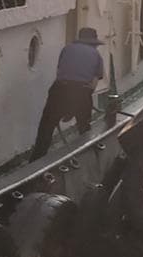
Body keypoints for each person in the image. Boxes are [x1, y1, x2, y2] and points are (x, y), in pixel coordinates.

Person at [30, 27, 105, 160]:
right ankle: (87, 158)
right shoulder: (96, 56)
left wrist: (65, 108)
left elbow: (60, 72)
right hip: (81, 91)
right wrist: (74, 106)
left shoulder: (67, 49)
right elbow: (93, 84)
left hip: (59, 89)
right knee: (84, 128)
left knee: (46, 127)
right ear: (93, 43)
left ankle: (36, 161)